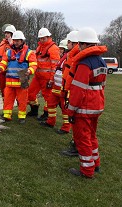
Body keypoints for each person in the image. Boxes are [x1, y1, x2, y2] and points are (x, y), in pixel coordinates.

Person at [67, 27, 107, 178]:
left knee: (82, 139)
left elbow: (78, 90)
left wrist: (71, 111)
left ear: (83, 44)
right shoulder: (101, 61)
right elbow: (103, 85)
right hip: (97, 105)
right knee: (91, 136)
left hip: (84, 107)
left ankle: (87, 170)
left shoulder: (84, 63)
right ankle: (96, 164)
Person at [0, 30, 37, 123]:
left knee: (22, 100)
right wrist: (0, 68)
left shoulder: (29, 52)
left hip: (22, 81)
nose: (16, 42)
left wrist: (30, 70)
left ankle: (22, 117)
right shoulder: (8, 52)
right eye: (14, 40)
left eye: (18, 40)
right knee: (7, 99)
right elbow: (3, 62)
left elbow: (34, 65)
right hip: (9, 82)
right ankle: (7, 115)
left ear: (22, 41)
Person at [27, 27, 60, 121]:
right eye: (40, 38)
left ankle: (47, 114)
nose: (41, 40)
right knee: (30, 93)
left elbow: (55, 66)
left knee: (48, 97)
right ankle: (34, 110)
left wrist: (51, 79)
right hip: (38, 76)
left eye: (43, 38)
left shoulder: (53, 48)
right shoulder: (39, 47)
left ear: (48, 37)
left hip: (47, 78)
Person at [40, 39, 71, 134]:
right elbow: (56, 71)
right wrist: (52, 81)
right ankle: (50, 122)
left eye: (62, 49)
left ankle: (66, 127)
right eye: (59, 49)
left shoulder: (68, 58)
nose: (59, 51)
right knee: (50, 104)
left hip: (63, 88)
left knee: (65, 109)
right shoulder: (61, 59)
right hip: (56, 87)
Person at [61, 31, 80, 156]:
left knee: (76, 119)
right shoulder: (72, 55)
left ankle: (77, 144)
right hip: (70, 89)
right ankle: (76, 142)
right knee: (74, 118)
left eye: (68, 42)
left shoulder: (76, 56)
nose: (67, 44)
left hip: (74, 91)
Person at [0, 24, 16, 100]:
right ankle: (5, 106)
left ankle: (17, 104)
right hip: (1, 70)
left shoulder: (15, 44)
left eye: (8, 33)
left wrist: (12, 44)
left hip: (11, 70)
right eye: (5, 33)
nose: (6, 35)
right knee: (3, 89)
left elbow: (18, 53)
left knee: (13, 89)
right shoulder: (2, 43)